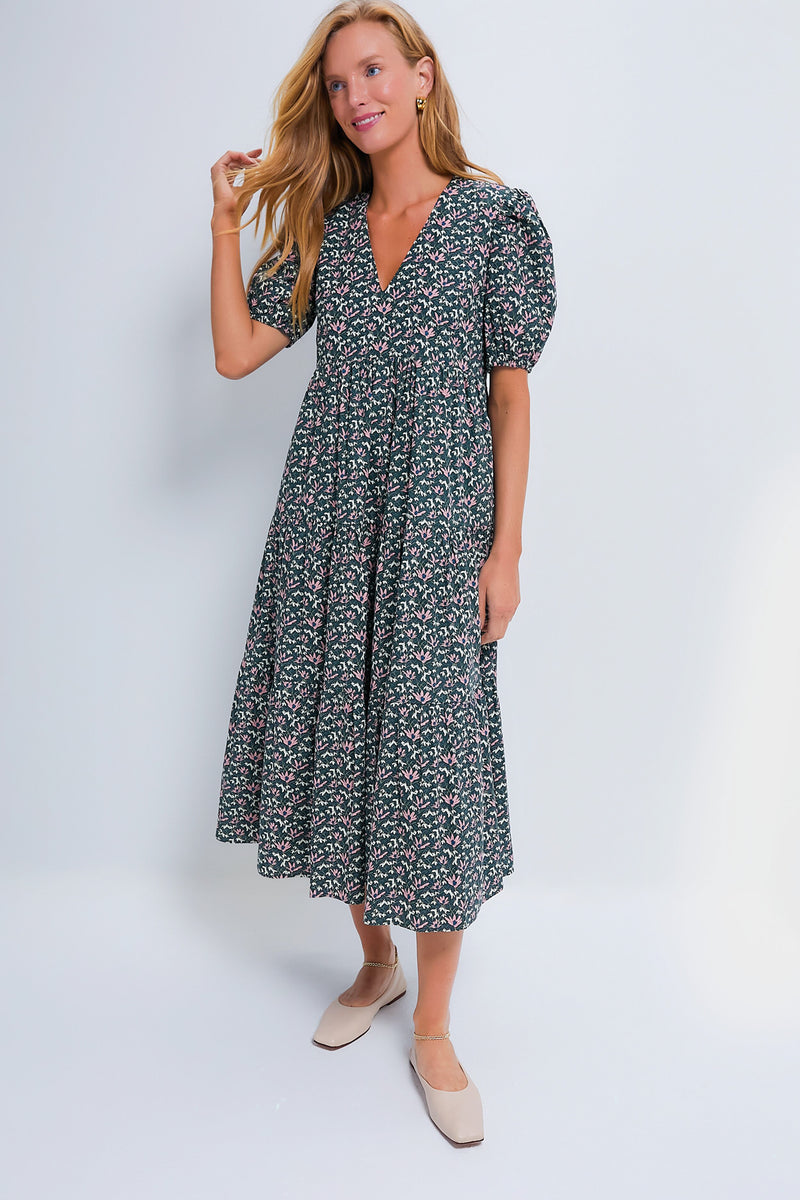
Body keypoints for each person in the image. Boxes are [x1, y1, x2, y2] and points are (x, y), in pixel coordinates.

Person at [209, 0, 557, 1146]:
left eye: (371, 69)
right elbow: (235, 354)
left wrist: (502, 551)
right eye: (335, 82)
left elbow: (509, 397)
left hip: (435, 529)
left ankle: (435, 1026)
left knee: (429, 767)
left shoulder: (495, 221)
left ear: (418, 76)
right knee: (337, 750)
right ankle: (373, 965)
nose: (355, 94)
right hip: (324, 523)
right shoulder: (325, 229)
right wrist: (225, 225)